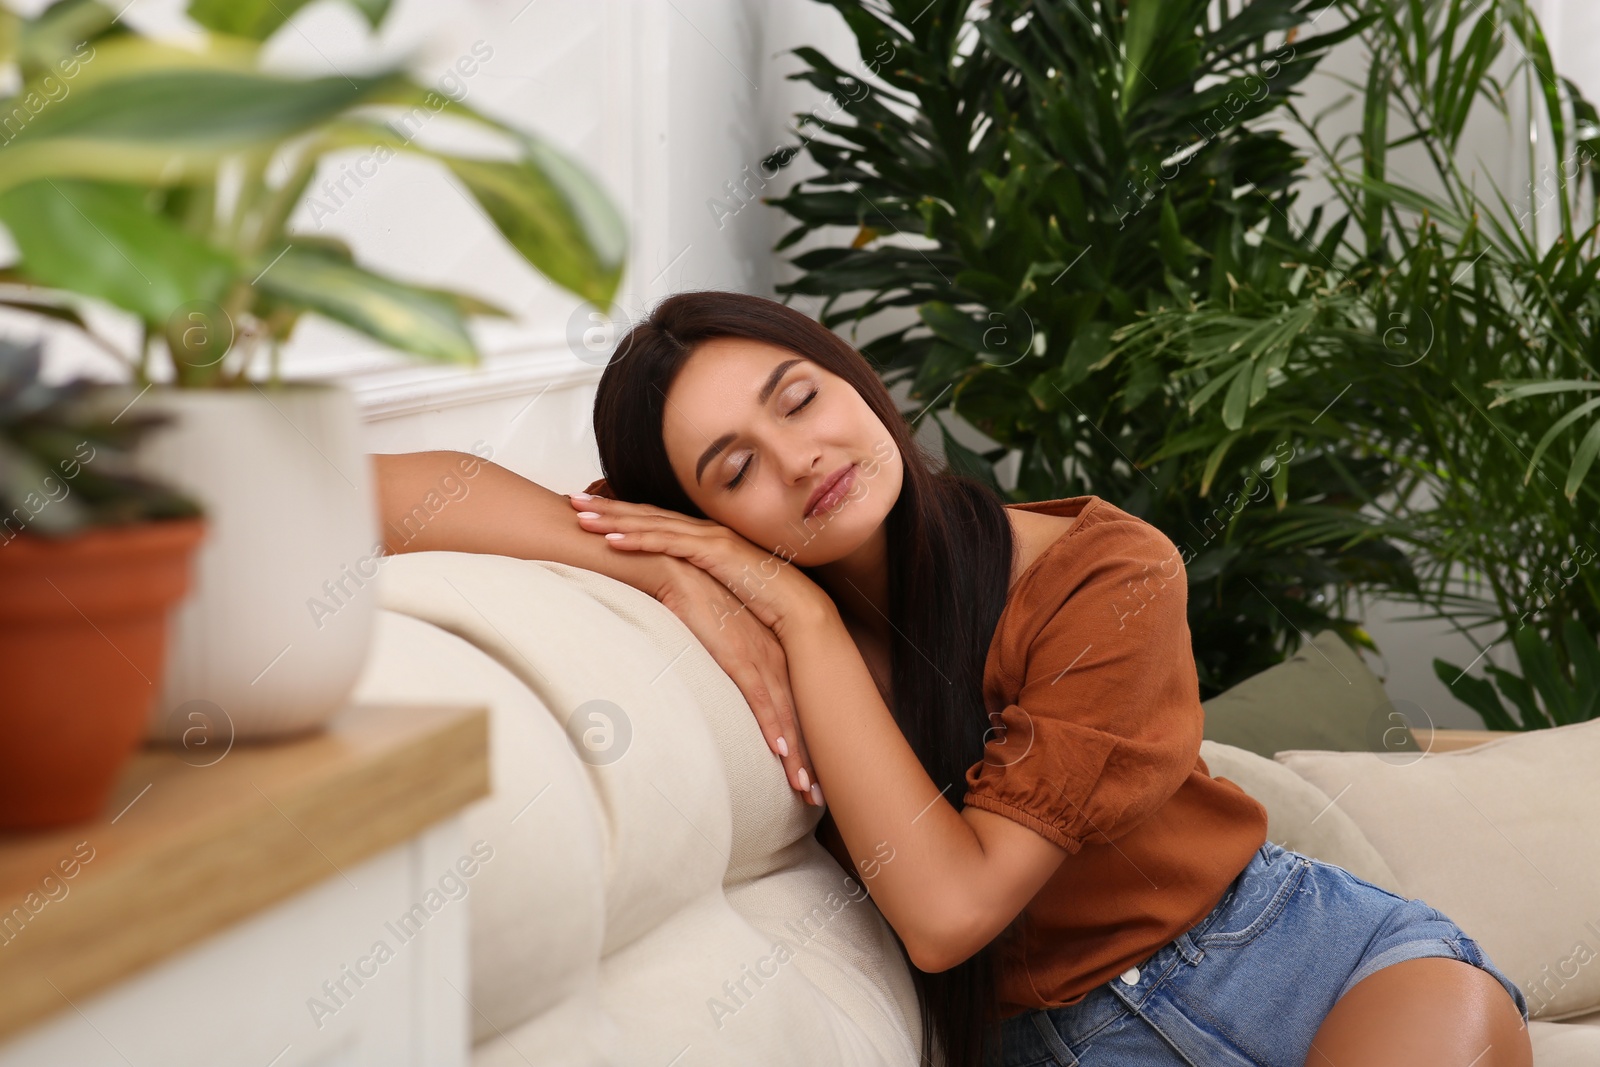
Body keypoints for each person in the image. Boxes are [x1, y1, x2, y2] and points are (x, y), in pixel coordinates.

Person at [371, 291, 1532, 1067]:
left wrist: (790, 613)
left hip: (1296, 956)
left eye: (799, 398)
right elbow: (383, 484)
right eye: (735, 469)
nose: (800, 459)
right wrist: (681, 579)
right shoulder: (742, 598)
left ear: (853, 377)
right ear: (697, 516)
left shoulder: (1100, 570)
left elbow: (952, 904)